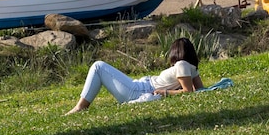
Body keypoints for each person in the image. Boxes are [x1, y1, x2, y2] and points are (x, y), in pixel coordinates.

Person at [66, 37, 204, 115]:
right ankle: (80, 106)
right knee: (99, 67)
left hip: (139, 90)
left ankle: (80, 107)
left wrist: (166, 93)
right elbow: (200, 90)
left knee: (98, 66)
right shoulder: (190, 68)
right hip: (140, 86)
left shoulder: (181, 65)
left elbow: (189, 92)